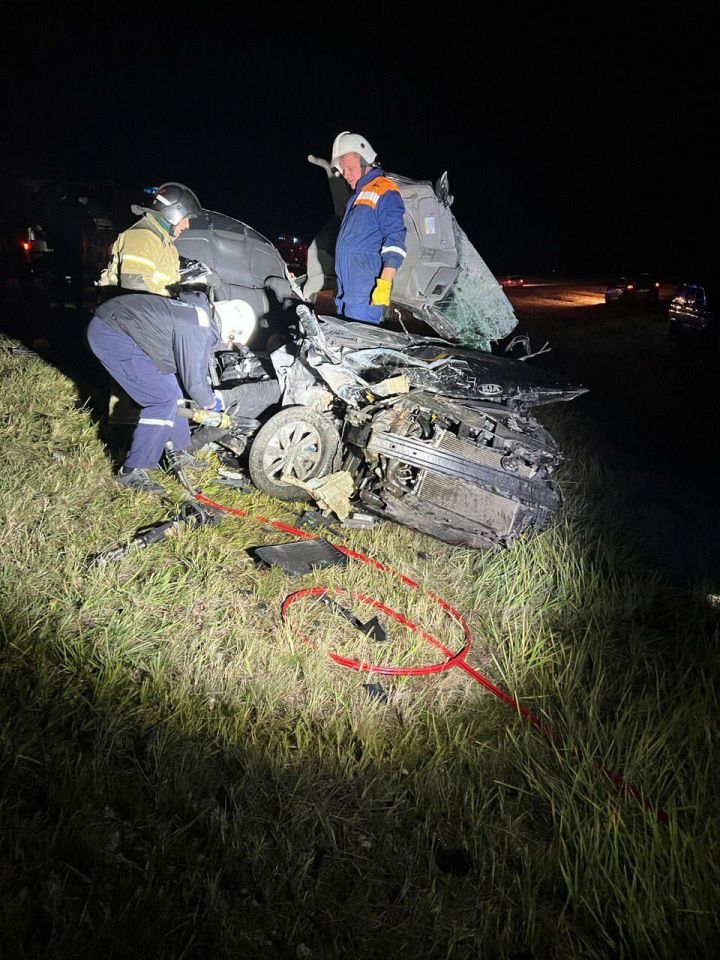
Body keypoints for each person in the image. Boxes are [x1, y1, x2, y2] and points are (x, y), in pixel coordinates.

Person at [87, 291, 224, 494]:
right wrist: (212, 403)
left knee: (174, 393)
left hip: (127, 331)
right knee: (162, 400)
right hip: (112, 332)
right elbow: (194, 383)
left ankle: (176, 452)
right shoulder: (198, 328)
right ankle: (132, 470)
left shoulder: (198, 317)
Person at [331, 132, 407, 324]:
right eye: (343, 170)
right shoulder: (356, 197)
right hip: (347, 288)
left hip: (365, 290)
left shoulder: (384, 189)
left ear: (365, 162)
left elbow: (395, 238)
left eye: (350, 168)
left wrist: (385, 283)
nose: (346, 175)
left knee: (357, 346)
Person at [98, 181, 201, 296]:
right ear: (173, 214)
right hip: (133, 312)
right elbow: (135, 285)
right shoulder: (142, 237)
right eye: (185, 219)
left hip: (154, 311)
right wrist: (171, 299)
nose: (187, 225)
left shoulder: (165, 243)